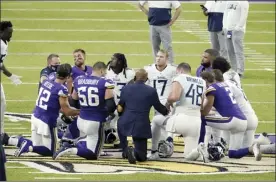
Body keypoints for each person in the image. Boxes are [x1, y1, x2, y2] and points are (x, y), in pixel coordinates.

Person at [12, 64, 80, 157]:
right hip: (47, 121)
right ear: (68, 76)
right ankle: (28, 146)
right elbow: (67, 111)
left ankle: (21, 141)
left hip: (36, 116)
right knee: (50, 151)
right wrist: (81, 111)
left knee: (39, 146)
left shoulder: (46, 81)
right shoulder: (61, 89)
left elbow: (53, 101)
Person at [53, 62, 116, 160]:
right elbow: (110, 105)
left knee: (89, 140)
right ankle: (71, 148)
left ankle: (76, 142)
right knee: (93, 154)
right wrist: (108, 115)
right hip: (95, 121)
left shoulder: (79, 80)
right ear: (102, 70)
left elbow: (73, 100)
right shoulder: (105, 82)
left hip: (81, 120)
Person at [212, 59, 275, 154]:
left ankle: (265, 145)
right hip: (250, 116)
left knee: (236, 149)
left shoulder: (224, 85)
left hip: (240, 119)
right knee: (245, 148)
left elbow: (223, 103)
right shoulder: (233, 75)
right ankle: (261, 140)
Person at [147, 63, 207, 161]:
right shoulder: (201, 81)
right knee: (188, 155)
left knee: (156, 120)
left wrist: (167, 104)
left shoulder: (180, 78)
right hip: (196, 121)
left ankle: (155, 151)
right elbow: (202, 104)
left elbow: (174, 97)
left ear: (180, 71)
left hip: (181, 119)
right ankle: (198, 150)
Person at [200, 70, 261, 162]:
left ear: (205, 80)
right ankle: (251, 148)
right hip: (243, 121)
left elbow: (204, 112)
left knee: (201, 119)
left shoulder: (212, 88)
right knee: (232, 154)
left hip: (232, 120)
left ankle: (201, 147)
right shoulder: (224, 85)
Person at [117, 69, 169, 164]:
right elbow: (159, 107)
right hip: (141, 124)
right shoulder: (151, 91)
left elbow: (120, 107)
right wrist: (167, 110)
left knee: (120, 123)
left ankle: (125, 150)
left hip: (125, 122)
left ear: (135, 77)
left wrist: (122, 116)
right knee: (142, 157)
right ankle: (134, 152)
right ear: (146, 79)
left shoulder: (125, 88)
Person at [144, 49, 177, 157]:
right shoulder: (149, 69)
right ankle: (162, 145)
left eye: (161, 57)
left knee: (158, 123)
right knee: (156, 123)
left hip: (165, 102)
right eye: (157, 56)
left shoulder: (172, 70)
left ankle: (162, 146)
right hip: (152, 102)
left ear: (167, 59)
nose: (158, 58)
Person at [105, 53, 135, 144]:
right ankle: (110, 135)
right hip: (109, 103)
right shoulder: (106, 72)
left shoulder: (129, 73)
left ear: (120, 62)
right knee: (107, 124)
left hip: (124, 103)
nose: (110, 61)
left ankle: (123, 139)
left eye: (113, 59)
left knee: (125, 123)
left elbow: (132, 90)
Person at [0, 21, 22, 137]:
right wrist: (11, 76)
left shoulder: (4, 43)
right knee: (2, 102)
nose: (11, 35)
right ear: (1, 32)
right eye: (9, 33)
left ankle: (1, 132)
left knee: (2, 102)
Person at [223, 1, 249, 78]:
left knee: (238, 51)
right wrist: (224, 26)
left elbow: (244, 15)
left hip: (237, 30)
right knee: (230, 50)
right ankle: (234, 70)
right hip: (228, 29)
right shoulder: (229, 1)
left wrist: (238, 27)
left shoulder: (243, 2)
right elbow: (225, 13)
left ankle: (240, 71)